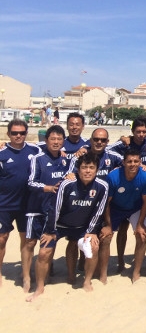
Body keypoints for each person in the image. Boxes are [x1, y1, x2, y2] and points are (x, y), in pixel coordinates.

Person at [27, 152, 108, 301]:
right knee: (44, 252)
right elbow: (54, 208)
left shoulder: (102, 186)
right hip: (58, 226)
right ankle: (39, 288)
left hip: (82, 227)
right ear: (78, 169)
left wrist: (91, 231)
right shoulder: (66, 184)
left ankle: (86, 281)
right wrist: (51, 231)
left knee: (94, 247)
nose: (88, 171)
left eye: (91, 167)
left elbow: (99, 210)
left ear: (97, 169)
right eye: (84, 167)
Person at [25, 125, 71, 294]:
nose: (56, 142)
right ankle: (26, 276)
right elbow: (30, 182)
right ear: (46, 140)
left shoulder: (67, 160)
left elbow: (71, 178)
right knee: (30, 243)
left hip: (55, 211)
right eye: (53, 139)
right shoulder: (38, 159)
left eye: (59, 139)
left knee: (48, 246)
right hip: (36, 207)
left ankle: (44, 275)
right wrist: (49, 188)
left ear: (63, 142)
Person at [100, 149, 146, 283]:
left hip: (136, 208)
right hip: (115, 208)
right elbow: (106, 202)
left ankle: (136, 272)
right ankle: (103, 273)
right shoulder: (113, 176)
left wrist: (140, 224)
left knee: (142, 236)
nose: (133, 164)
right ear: (123, 162)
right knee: (105, 237)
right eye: (129, 161)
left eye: (136, 161)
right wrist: (107, 225)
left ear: (140, 162)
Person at [0, 120, 40, 290]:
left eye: (22, 133)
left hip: (27, 206)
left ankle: (25, 275)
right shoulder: (1, 153)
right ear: (8, 134)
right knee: (2, 239)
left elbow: (55, 147)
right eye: (15, 133)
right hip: (4, 205)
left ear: (26, 133)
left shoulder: (34, 150)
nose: (18, 136)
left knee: (27, 241)